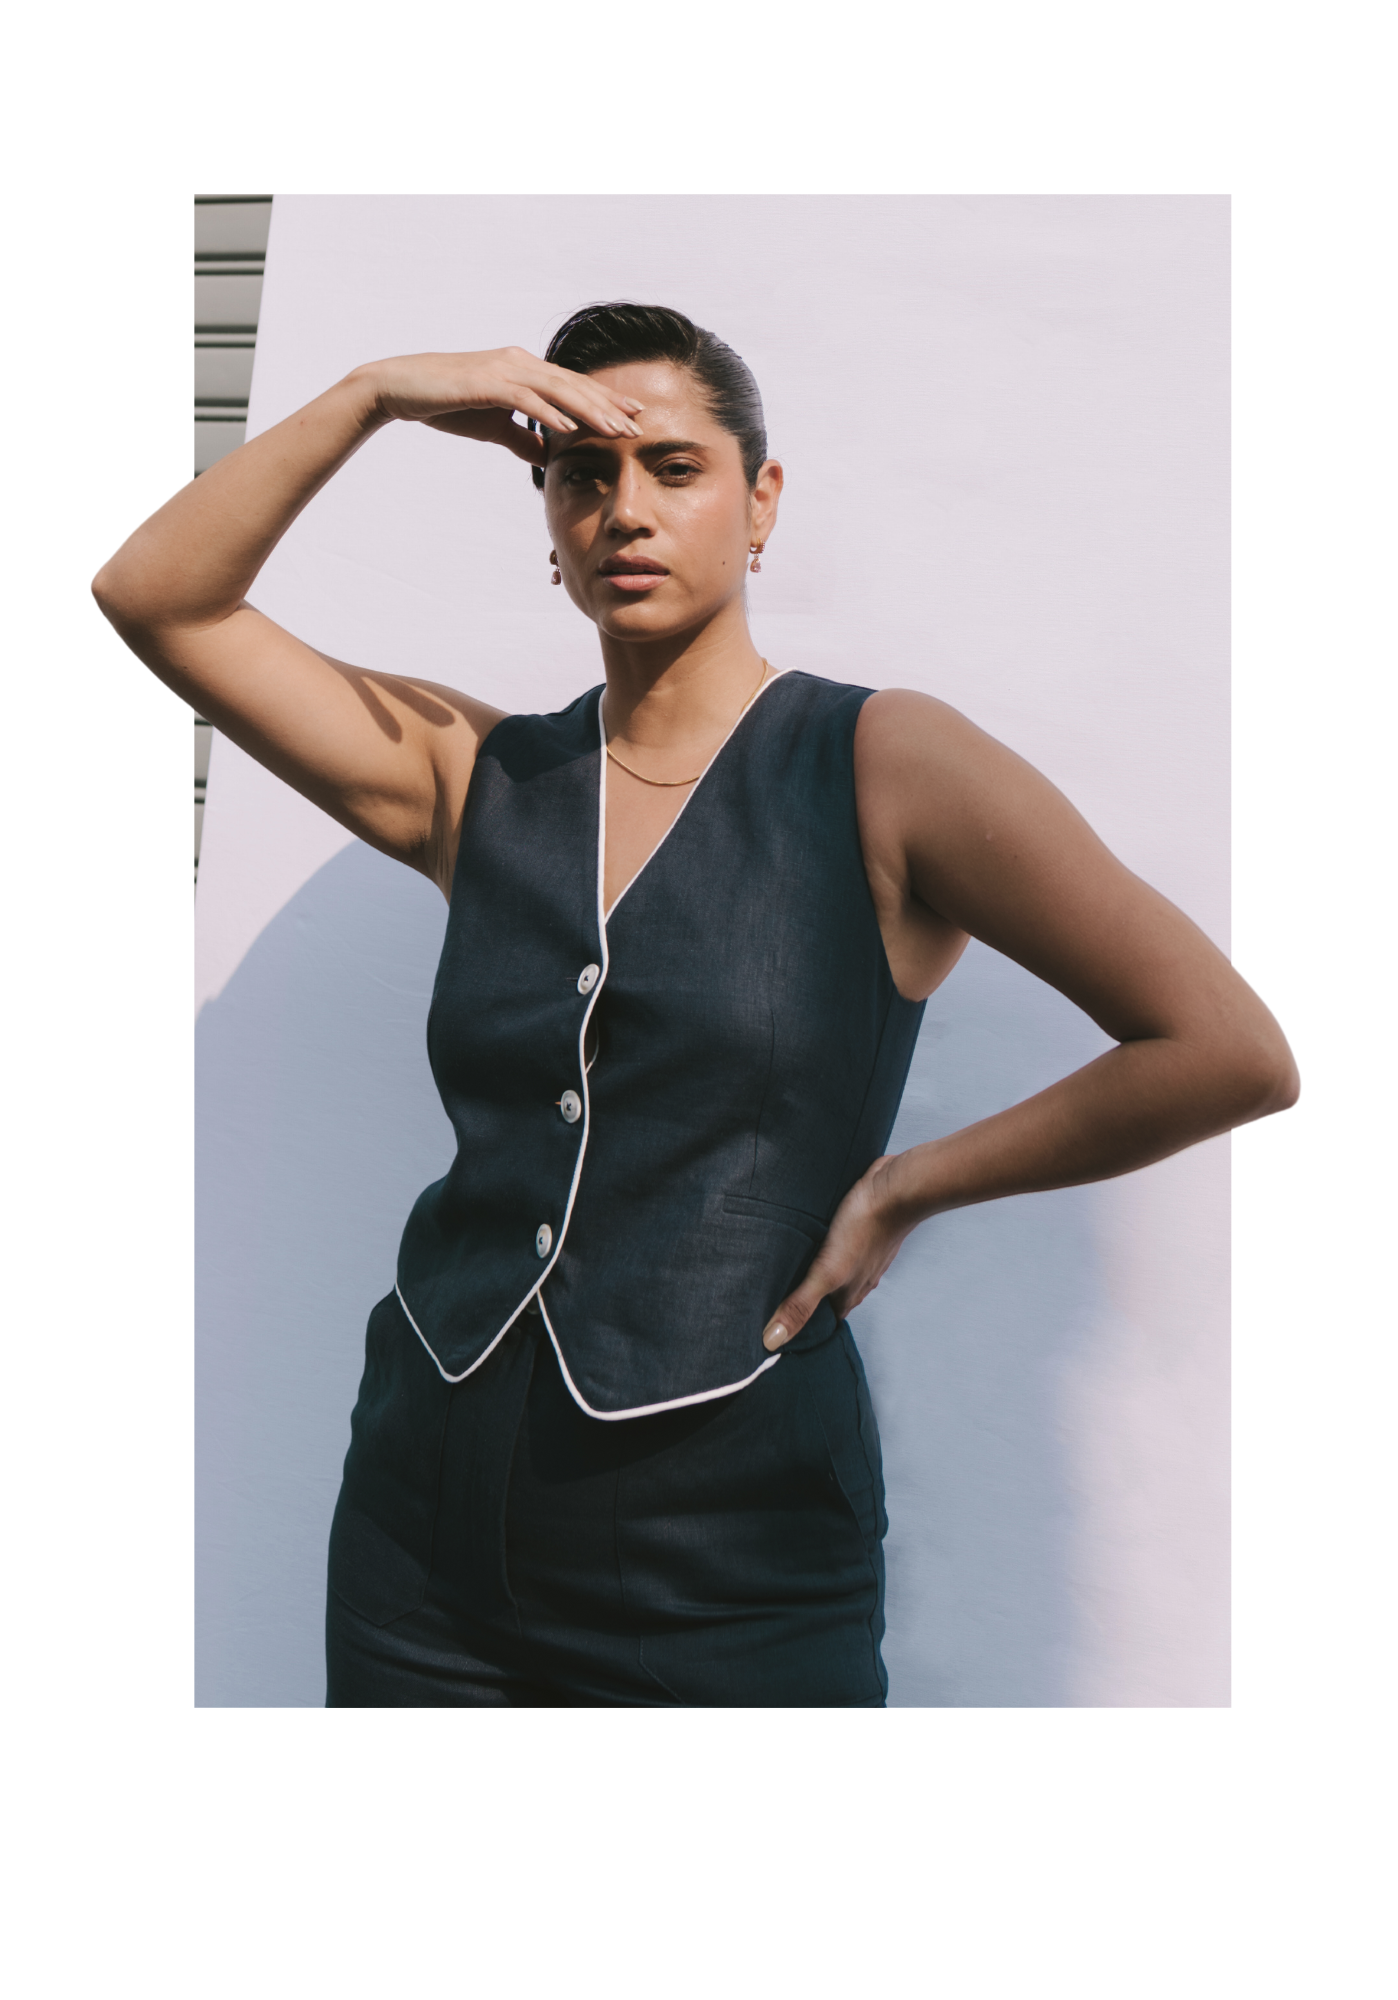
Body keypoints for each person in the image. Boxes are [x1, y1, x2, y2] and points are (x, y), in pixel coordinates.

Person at [94, 301, 1297, 1707]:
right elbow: (158, 598)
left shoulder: (883, 763)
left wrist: (908, 1185)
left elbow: (1225, 1048)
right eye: (581, 475)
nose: (625, 511)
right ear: (548, 523)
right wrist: (375, 393)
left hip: (732, 1551)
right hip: (422, 1533)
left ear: (760, 500)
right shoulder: (477, 777)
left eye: (673, 468)